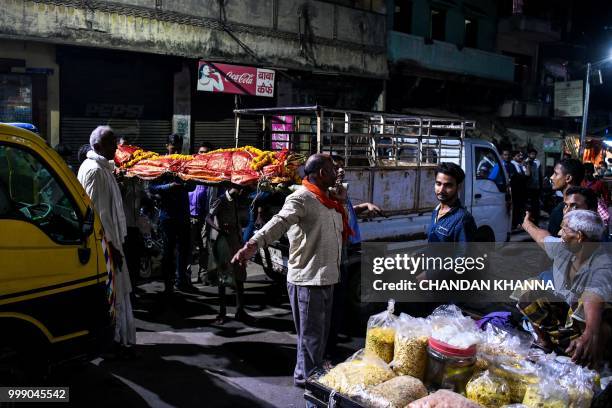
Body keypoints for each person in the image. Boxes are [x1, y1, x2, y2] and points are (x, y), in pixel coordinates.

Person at [232, 154, 348, 387]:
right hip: (307, 280)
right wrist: (250, 246)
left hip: (327, 277)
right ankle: (309, 381)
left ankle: (307, 375)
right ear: (322, 173)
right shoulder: (302, 198)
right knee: (311, 338)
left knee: (318, 337)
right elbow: (277, 223)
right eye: (333, 170)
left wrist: (343, 201)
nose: (338, 174)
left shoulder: (329, 199)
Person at [520, 210, 611, 367]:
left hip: (591, 322)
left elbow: (594, 294)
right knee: (530, 287)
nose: (559, 232)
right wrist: (527, 223)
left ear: (580, 236)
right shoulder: (564, 248)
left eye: (564, 228)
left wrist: (590, 332)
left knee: (598, 323)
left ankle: (593, 357)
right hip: (569, 311)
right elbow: (542, 237)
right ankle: (547, 343)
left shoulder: (603, 264)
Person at [77, 126, 136, 354]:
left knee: (118, 294)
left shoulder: (103, 169)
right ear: (98, 146)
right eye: (112, 143)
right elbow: (97, 216)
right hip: (106, 246)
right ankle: (114, 344)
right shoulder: (94, 170)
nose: (116, 147)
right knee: (113, 295)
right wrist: (112, 247)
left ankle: (117, 341)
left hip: (111, 243)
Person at [326, 155, 383, 357]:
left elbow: (346, 211)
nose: (341, 171)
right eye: (336, 167)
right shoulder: (327, 195)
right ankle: (327, 352)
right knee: (331, 307)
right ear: (325, 171)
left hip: (345, 251)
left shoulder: (341, 192)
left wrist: (364, 206)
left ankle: (330, 348)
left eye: (342, 167)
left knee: (338, 305)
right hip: (335, 256)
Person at [149, 134, 196, 294]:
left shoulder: (185, 163)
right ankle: (168, 284)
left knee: (184, 250)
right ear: (166, 146)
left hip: (183, 215)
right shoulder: (160, 164)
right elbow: (151, 187)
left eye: (178, 147)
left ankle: (181, 280)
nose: (176, 150)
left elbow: (192, 186)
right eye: (173, 147)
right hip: (167, 216)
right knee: (168, 252)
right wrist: (168, 187)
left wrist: (184, 184)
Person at [206, 187, 254, 324]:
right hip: (224, 242)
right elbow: (208, 217)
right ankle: (222, 312)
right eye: (240, 188)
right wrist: (219, 229)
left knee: (239, 276)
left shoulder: (235, 201)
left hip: (236, 241)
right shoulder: (220, 200)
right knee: (223, 277)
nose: (242, 191)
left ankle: (240, 311)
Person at [548, 158, 584, 236]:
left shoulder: (563, 209)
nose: (551, 177)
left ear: (568, 178)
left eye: (556, 174)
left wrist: (528, 225)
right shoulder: (586, 202)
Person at [524, 148, 544, 224]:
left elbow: (540, 174)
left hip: (536, 186)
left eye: (534, 154)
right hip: (528, 187)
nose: (533, 155)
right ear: (529, 154)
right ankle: (527, 220)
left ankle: (535, 220)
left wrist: (541, 185)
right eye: (532, 154)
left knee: (535, 204)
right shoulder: (525, 162)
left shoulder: (538, 162)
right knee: (528, 204)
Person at [510, 151, 529, 228]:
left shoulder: (522, 165)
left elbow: (527, 174)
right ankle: (514, 223)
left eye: (521, 156)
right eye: (518, 156)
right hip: (515, 189)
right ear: (514, 157)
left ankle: (519, 222)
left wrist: (526, 166)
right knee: (515, 207)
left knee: (520, 207)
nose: (520, 157)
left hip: (522, 189)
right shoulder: (512, 164)